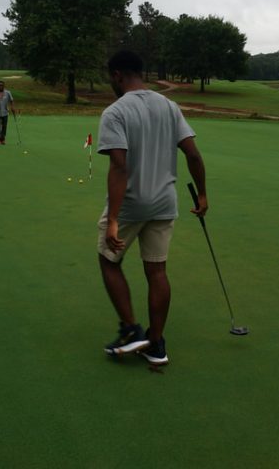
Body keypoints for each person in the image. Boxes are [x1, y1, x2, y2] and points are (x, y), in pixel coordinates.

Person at [97, 50, 208, 366]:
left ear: (117, 75)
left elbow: (119, 168)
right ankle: (156, 344)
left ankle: (132, 330)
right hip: (164, 202)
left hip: (132, 204)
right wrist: (202, 196)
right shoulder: (169, 106)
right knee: (157, 270)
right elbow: (194, 155)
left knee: (108, 260)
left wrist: (115, 220)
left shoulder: (115, 112)